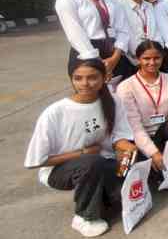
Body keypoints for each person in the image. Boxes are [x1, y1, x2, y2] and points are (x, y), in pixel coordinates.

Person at [25, 59, 136, 237]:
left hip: (101, 162)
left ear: (105, 77)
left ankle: (105, 197)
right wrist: (81, 153)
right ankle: (84, 216)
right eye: (78, 78)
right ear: (71, 79)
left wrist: (128, 148)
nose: (85, 83)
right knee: (92, 162)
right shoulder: (55, 112)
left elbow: (119, 135)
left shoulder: (113, 101)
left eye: (92, 77)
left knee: (134, 161)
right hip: (61, 171)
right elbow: (36, 161)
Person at [116, 41, 168, 173]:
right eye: (146, 58)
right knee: (131, 169)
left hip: (165, 133)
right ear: (138, 59)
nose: (152, 62)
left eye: (156, 58)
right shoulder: (126, 87)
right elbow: (135, 127)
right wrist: (154, 153)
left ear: (162, 58)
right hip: (140, 139)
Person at [56, 0, 131, 79]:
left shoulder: (111, 0)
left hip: (114, 54)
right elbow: (75, 34)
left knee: (119, 96)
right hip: (86, 55)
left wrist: (115, 57)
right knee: (94, 97)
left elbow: (123, 30)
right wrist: (98, 64)